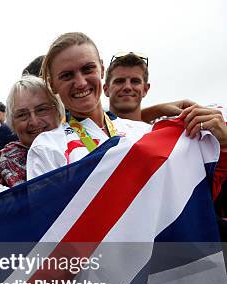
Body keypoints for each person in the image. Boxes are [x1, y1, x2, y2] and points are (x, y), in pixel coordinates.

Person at [26, 32, 152, 179]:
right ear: (53, 85)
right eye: (67, 75)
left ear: (102, 70)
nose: (80, 83)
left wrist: (185, 126)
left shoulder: (144, 133)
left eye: (88, 69)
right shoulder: (47, 149)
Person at [0, 75, 64, 186]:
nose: (34, 122)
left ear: (58, 111)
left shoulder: (81, 141)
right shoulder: (5, 164)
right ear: (12, 123)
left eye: (41, 110)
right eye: (22, 115)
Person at [102, 52, 150, 122]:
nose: (127, 87)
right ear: (106, 89)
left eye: (135, 81)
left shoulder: (158, 130)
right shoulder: (86, 130)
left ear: (145, 89)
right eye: (119, 81)